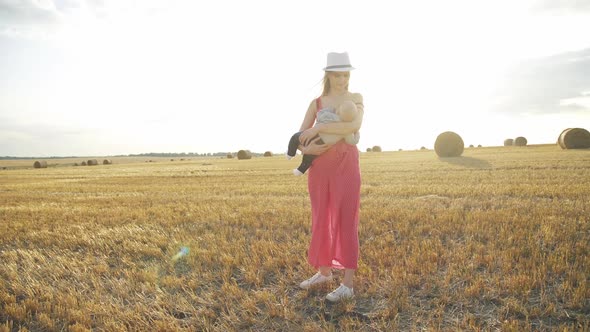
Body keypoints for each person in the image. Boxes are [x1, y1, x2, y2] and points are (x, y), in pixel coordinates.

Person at [297, 52, 364, 302]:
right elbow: (301, 135)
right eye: (338, 75)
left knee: (347, 218)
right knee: (321, 218)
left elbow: (353, 126)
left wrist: (321, 127)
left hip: (346, 164)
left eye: (346, 75)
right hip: (319, 167)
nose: (343, 80)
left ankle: (347, 284)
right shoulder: (316, 103)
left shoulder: (356, 99)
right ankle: (324, 272)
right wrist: (307, 150)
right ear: (328, 75)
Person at [286, 100, 359, 176]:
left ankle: (290, 153)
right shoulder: (347, 129)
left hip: (315, 136)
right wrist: (357, 133)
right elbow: (352, 141)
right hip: (323, 144)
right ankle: (300, 170)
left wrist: (330, 110)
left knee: (295, 137)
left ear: (338, 111)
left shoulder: (330, 115)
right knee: (309, 157)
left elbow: (320, 115)